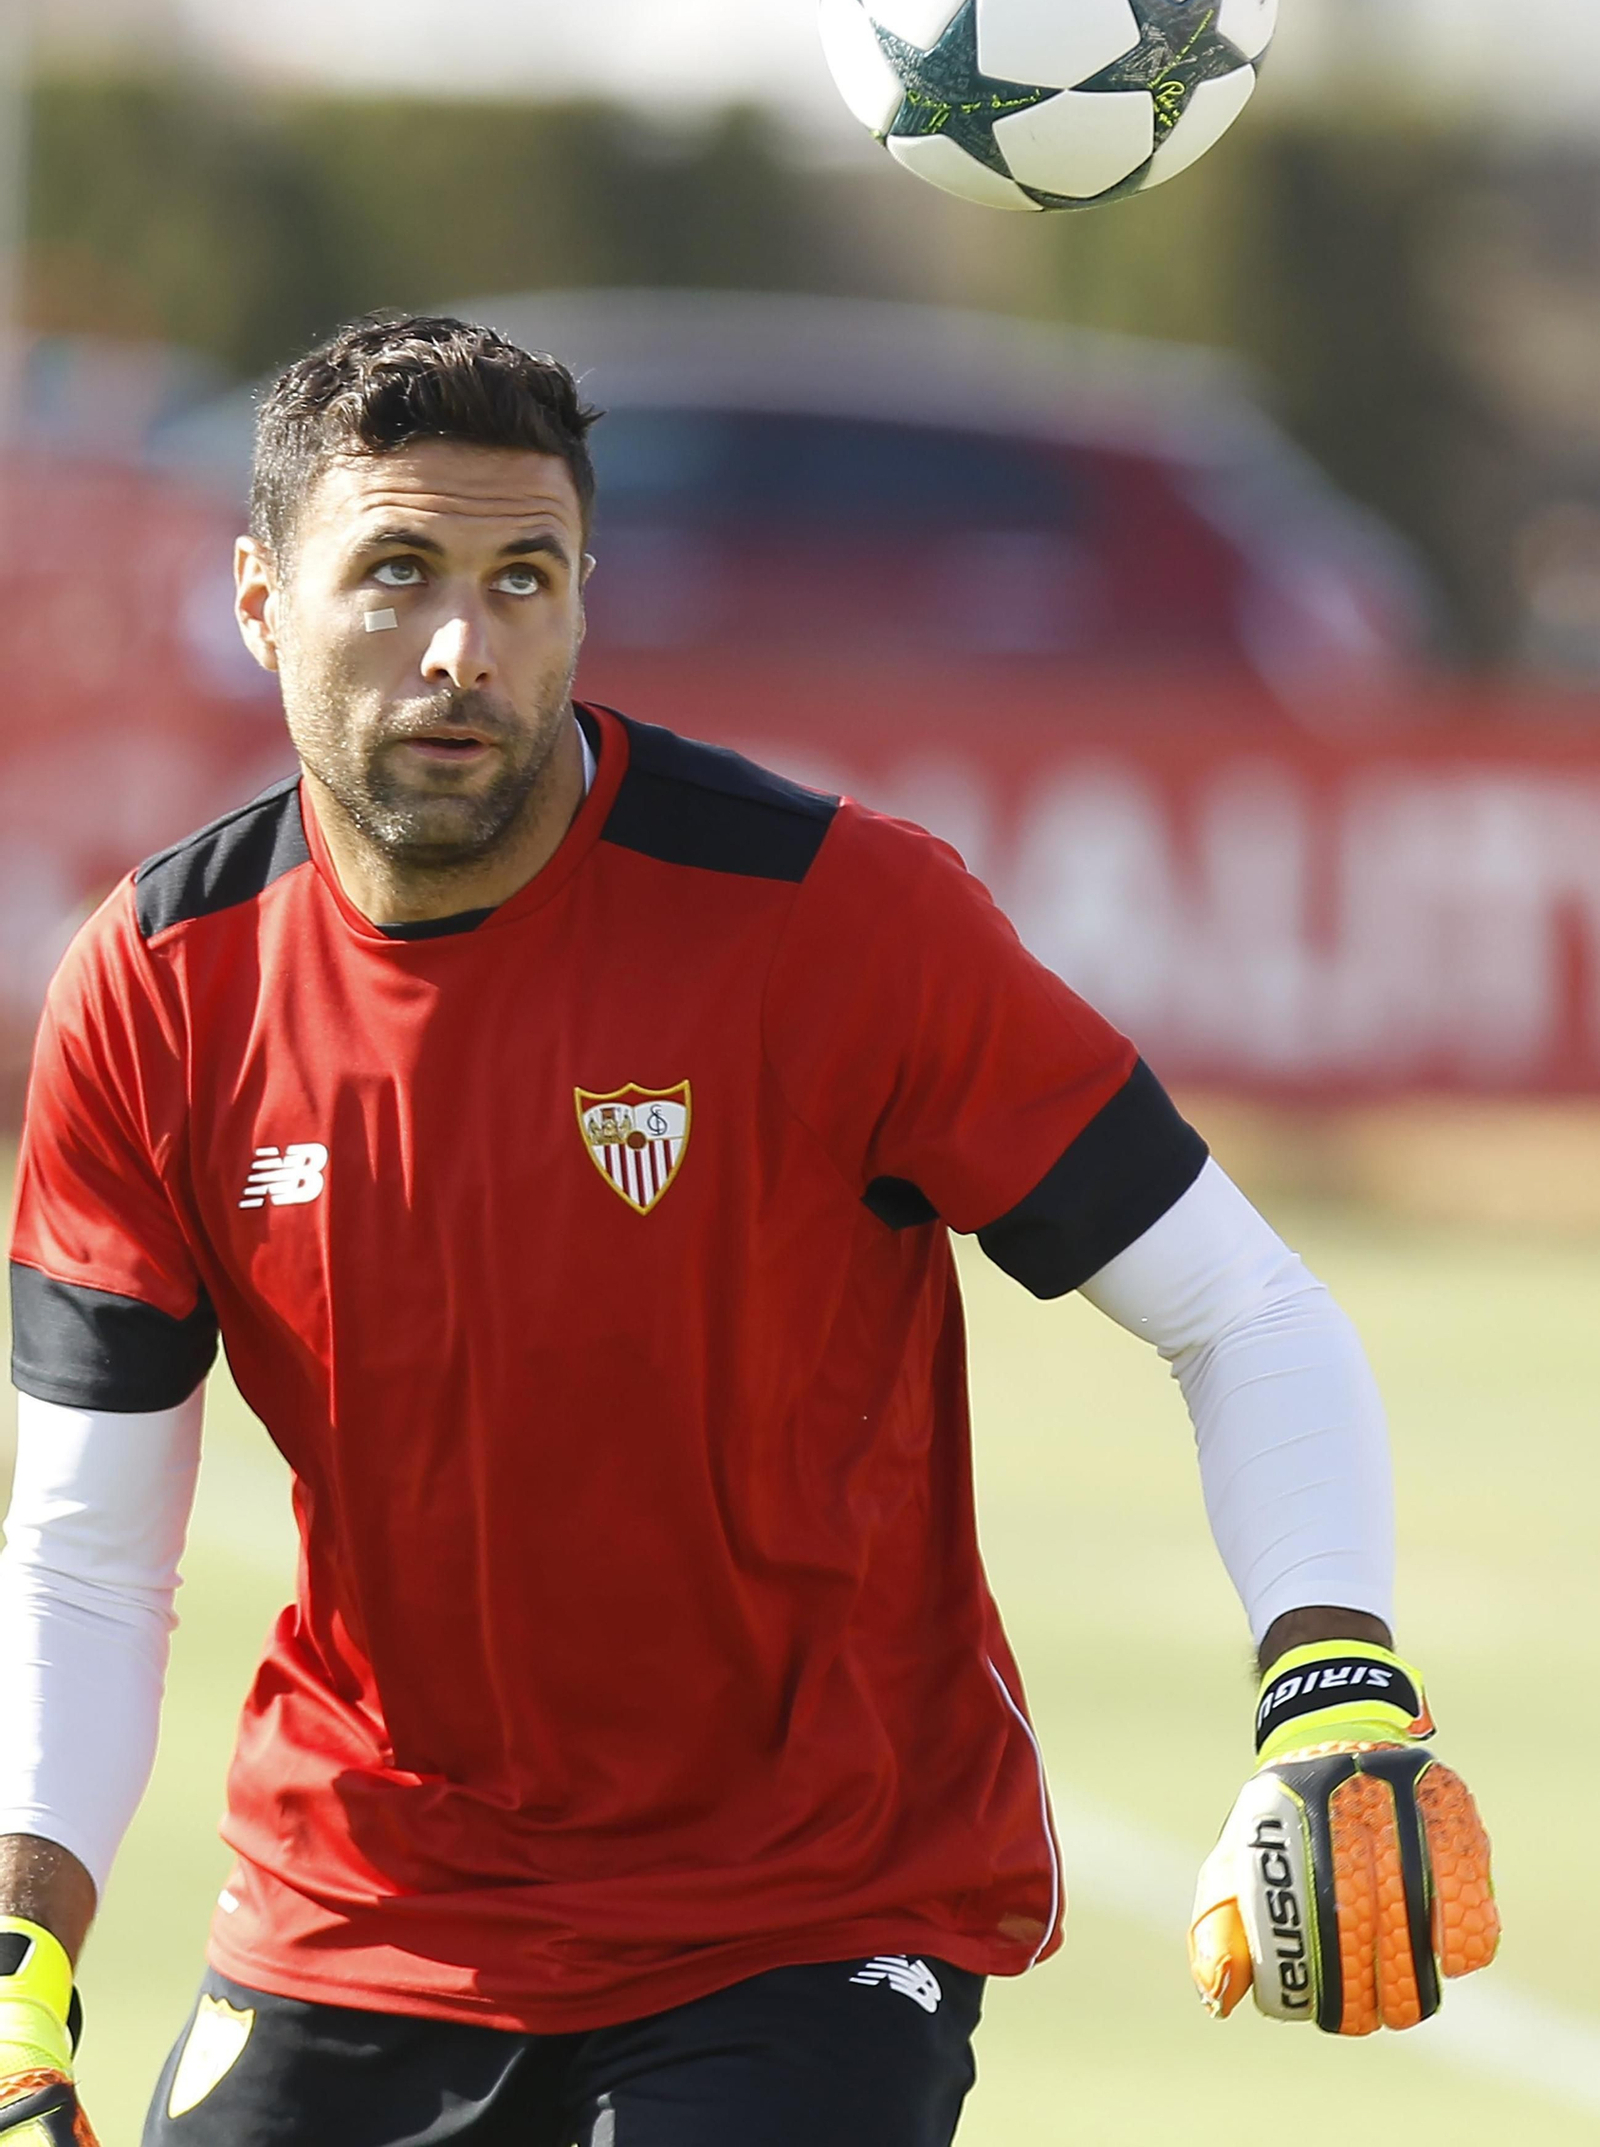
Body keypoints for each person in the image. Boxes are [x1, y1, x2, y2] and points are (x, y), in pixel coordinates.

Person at [0, 316, 1495, 2147]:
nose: (464, 644)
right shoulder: (153, 990)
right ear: (255, 602)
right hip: (360, 1913)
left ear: (581, 598)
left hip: (799, 1917)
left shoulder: (834, 918)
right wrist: (23, 1946)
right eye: (396, 573)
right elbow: (84, 1548)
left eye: (522, 578)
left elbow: (1242, 1312)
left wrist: (1329, 1678)